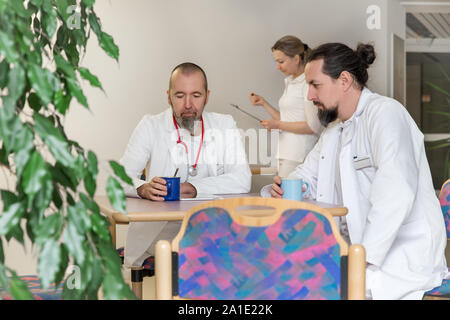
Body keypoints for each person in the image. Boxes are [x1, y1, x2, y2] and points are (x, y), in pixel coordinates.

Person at [268, 42, 449, 300]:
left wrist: (361, 259)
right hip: (356, 252)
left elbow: (394, 195)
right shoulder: (334, 132)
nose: (309, 96)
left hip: (399, 257)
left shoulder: (385, 114)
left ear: (344, 80)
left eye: (315, 85)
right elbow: (306, 174)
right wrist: (288, 185)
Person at [120, 62, 251, 267]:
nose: (188, 104)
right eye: (180, 95)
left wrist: (193, 187)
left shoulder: (224, 124)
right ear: (169, 96)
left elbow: (242, 179)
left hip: (212, 229)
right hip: (159, 232)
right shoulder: (150, 125)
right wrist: (142, 188)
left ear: (207, 96)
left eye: (196, 95)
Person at [249, 35, 323, 177]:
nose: (277, 67)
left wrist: (278, 125)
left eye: (281, 61)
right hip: (285, 151)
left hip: (299, 154)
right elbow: (286, 120)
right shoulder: (290, 82)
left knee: (286, 196)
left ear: (296, 58)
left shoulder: (307, 84)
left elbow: (312, 126)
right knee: (281, 194)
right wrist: (264, 103)